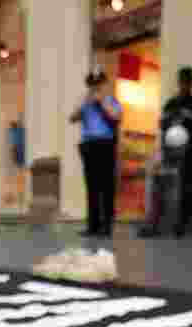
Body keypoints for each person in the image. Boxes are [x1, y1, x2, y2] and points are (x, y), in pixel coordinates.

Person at [140, 66, 192, 239]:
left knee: (187, 187)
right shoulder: (172, 103)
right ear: (179, 82)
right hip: (171, 151)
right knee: (164, 186)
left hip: (191, 151)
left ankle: (182, 225)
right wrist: (169, 118)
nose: (184, 85)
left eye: (188, 81)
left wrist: (191, 116)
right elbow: (161, 123)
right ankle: (160, 223)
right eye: (182, 81)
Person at [69, 67, 123, 239]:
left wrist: (102, 103)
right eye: (92, 83)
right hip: (89, 145)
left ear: (103, 83)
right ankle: (93, 226)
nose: (95, 86)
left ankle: (106, 226)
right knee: (91, 186)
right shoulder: (86, 102)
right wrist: (83, 103)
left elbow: (117, 117)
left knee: (106, 186)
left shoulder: (111, 100)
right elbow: (72, 118)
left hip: (105, 145)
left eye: (98, 83)